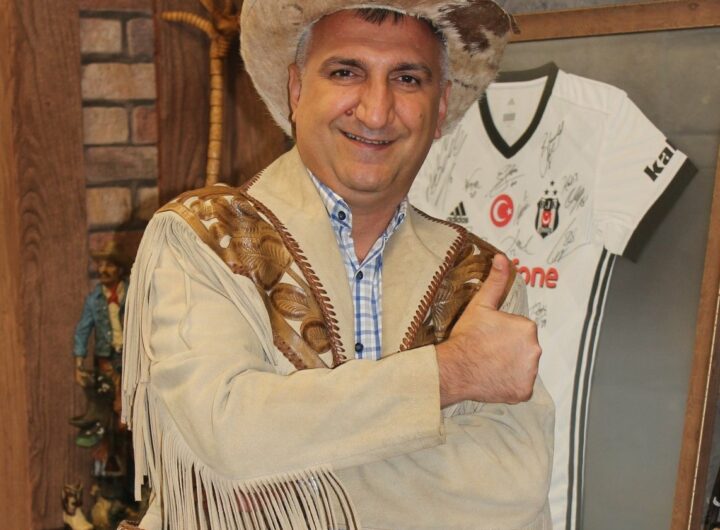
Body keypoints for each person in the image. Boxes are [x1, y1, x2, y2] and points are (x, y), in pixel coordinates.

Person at [121, 1, 554, 529]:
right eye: (347, 72)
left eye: (407, 79)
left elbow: (512, 489)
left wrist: (285, 480)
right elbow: (228, 438)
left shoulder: (481, 278)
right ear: (296, 90)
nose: (375, 111)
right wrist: (450, 374)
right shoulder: (203, 238)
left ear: (440, 107)